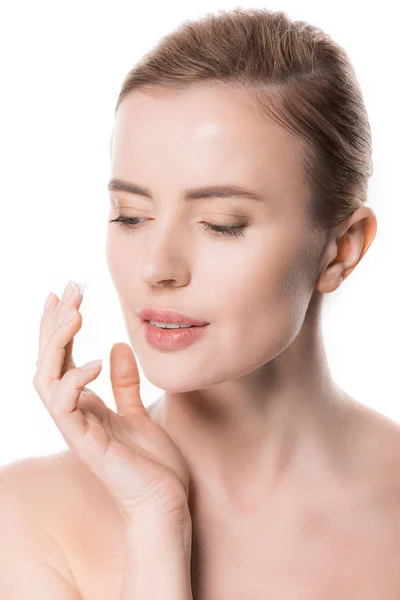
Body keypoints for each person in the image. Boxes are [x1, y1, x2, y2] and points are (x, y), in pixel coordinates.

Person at [1, 6, 398, 599]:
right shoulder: (28, 519)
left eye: (222, 224)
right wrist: (155, 522)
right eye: (130, 216)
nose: (156, 268)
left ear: (340, 249)